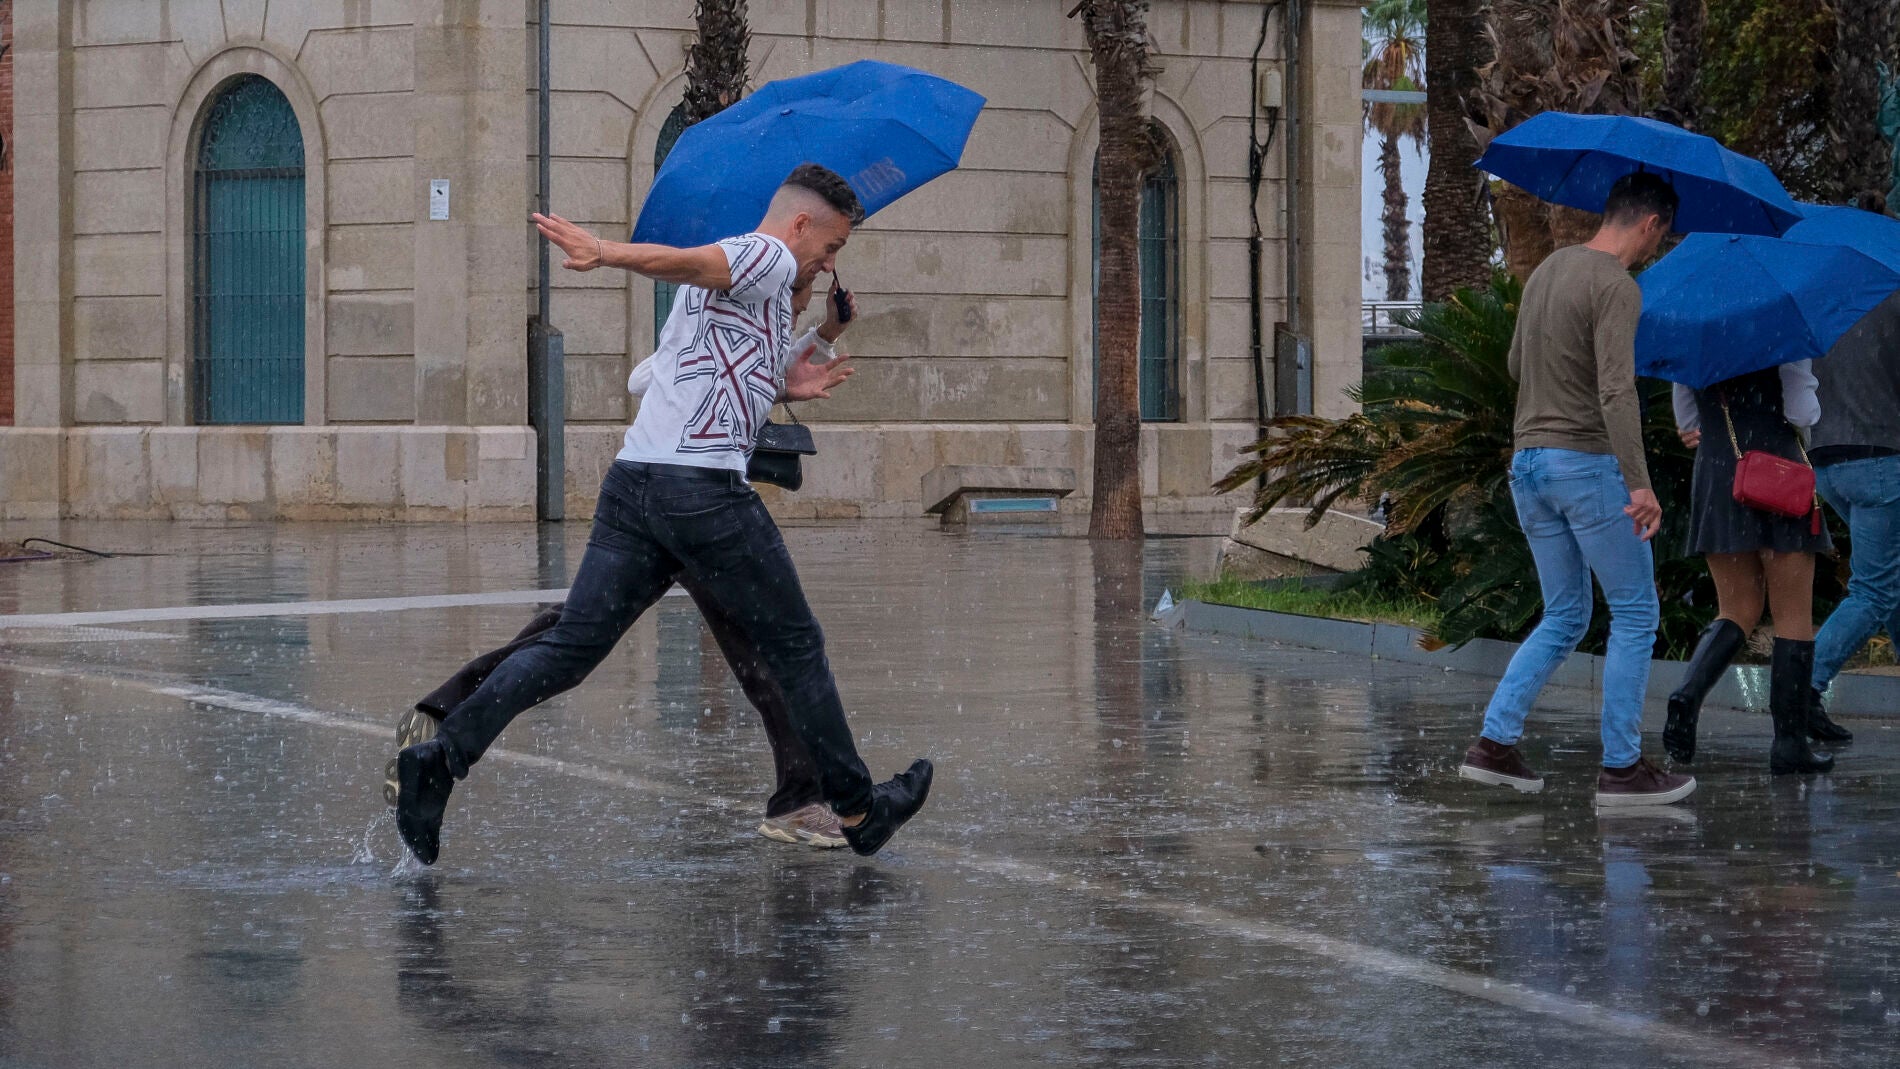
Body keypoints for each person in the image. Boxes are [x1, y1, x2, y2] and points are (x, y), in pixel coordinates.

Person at [392, 164, 933, 864]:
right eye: (829, 248)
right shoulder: (765, 252)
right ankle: (860, 808)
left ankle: (442, 757)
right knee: (796, 646)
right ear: (800, 224)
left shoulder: (738, 301)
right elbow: (698, 263)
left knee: (571, 649)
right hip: (702, 491)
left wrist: (817, 341)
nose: (828, 264)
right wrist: (606, 253)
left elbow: (719, 370)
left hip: (635, 485)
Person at [383, 278, 861, 849]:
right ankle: (800, 799)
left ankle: (445, 718)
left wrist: (823, 336)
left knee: (577, 633)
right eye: (800, 288)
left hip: (680, 502)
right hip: (691, 506)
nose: (803, 298)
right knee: (768, 650)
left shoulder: (759, 325)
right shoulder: (718, 311)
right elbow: (648, 375)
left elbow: (765, 367)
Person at [1456, 172, 1696, 808]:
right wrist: (1641, 486)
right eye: (1659, 238)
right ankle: (1622, 769)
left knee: (1565, 613)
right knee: (1637, 611)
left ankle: (1494, 745)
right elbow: (1618, 390)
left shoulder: (1551, 269)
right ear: (1652, 224)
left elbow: (1514, 364)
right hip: (1585, 466)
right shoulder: (1617, 286)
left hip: (1528, 466)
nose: (1654, 251)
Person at [1662, 363, 1835, 774]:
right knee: (1793, 613)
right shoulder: (1781, 333)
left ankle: (1688, 694)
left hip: (1720, 471)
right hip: (1777, 471)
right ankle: (1790, 745)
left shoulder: (1697, 333)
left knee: (1736, 607)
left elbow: (1688, 420)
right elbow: (1801, 413)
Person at [1806, 288, 1900, 738]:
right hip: (1882, 459)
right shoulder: (1891, 297)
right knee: (1874, 591)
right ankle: (1803, 688)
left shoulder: (1826, 302)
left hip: (1827, 460)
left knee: (1891, 579)